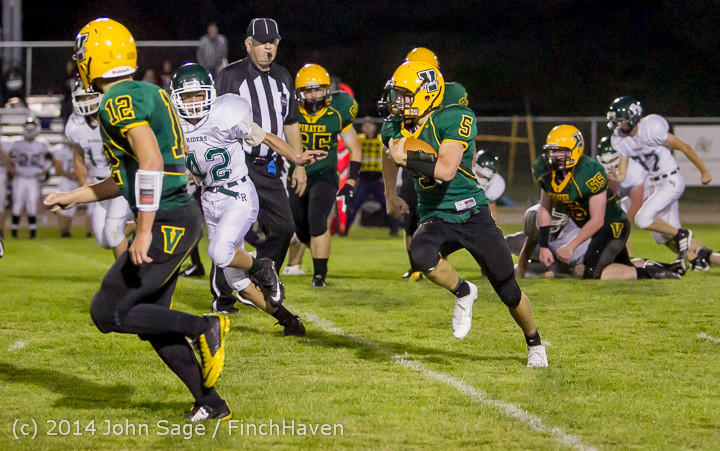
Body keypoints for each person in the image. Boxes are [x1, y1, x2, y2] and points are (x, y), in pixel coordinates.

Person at [45, 17, 232, 421]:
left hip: (167, 218)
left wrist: (144, 229)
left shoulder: (116, 100)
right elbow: (126, 176)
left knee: (106, 311)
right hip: (178, 213)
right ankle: (211, 403)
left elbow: (149, 161)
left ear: (93, 59)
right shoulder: (148, 91)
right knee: (150, 321)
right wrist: (73, 196)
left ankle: (204, 327)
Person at [381, 60, 548, 368]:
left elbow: (446, 169)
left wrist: (405, 157)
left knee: (508, 290)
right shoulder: (395, 127)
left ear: (426, 94)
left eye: (404, 95)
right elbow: (387, 151)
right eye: (397, 95)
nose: (397, 102)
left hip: (471, 212)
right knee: (420, 254)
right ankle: (464, 290)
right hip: (436, 213)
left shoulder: (454, 117)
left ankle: (534, 342)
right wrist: (390, 193)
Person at [171, 62, 322, 336]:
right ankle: (289, 320)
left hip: (237, 195)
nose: (193, 102)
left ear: (210, 93)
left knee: (220, 251)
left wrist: (296, 158)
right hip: (210, 200)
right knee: (237, 282)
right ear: (176, 97)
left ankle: (262, 265)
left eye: (198, 95)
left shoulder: (225, 114)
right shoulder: (174, 126)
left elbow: (266, 138)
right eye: (187, 96)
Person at [213, 18, 304, 309]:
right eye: (262, 42)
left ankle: (259, 275)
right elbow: (213, 120)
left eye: (272, 42)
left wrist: (299, 164)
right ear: (248, 45)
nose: (268, 47)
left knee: (284, 227)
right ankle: (223, 299)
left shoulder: (284, 77)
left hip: (271, 165)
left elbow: (291, 122)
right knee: (231, 231)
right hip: (239, 163)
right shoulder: (230, 76)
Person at [532, 125, 681, 281]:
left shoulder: (590, 171)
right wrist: (544, 246)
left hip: (612, 226)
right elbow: (545, 209)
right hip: (593, 230)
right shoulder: (544, 169)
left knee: (593, 273)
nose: (555, 156)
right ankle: (661, 267)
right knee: (619, 266)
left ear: (576, 149)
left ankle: (650, 273)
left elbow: (597, 220)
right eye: (552, 151)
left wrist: (570, 246)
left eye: (561, 151)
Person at [607, 96, 712, 262]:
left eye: (621, 120)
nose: (618, 124)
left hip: (670, 180)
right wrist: (615, 176)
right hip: (654, 184)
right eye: (616, 120)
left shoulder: (650, 129)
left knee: (642, 219)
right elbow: (623, 172)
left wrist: (704, 171)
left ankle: (682, 234)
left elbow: (684, 147)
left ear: (633, 116)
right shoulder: (620, 139)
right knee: (664, 238)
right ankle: (704, 259)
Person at [286, 63, 361, 287]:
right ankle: (313, 260)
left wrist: (350, 180)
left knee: (317, 221)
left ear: (327, 89)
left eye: (318, 89)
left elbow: (355, 148)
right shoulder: (290, 110)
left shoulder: (338, 109)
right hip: (296, 174)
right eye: (308, 90)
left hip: (325, 174)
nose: (313, 95)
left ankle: (320, 275)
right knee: (299, 227)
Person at [597, 134, 719, 271]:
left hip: (658, 194)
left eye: (612, 159)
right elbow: (612, 197)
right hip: (652, 198)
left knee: (625, 221)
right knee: (667, 240)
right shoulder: (608, 171)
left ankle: (629, 258)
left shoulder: (633, 171)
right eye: (606, 160)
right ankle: (706, 256)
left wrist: (623, 226)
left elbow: (636, 204)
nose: (609, 163)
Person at [66, 80, 131, 259]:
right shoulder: (76, 125)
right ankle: (135, 226)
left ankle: (125, 273)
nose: (87, 101)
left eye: (91, 96)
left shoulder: (116, 117)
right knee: (104, 240)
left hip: (120, 181)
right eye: (83, 98)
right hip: (98, 184)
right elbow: (78, 158)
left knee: (113, 232)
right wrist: (82, 182)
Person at [5, 117, 51, 239]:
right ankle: (14, 231)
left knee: (32, 204)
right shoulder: (16, 142)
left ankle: (32, 231)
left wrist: (43, 171)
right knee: (17, 203)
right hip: (20, 177)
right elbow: (7, 157)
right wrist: (11, 170)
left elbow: (49, 160)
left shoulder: (42, 143)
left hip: (33, 178)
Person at [50, 142, 77, 237]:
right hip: (66, 180)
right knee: (63, 205)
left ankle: (67, 230)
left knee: (72, 206)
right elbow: (58, 170)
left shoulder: (80, 148)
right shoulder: (60, 149)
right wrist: (71, 176)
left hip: (76, 180)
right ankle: (63, 230)